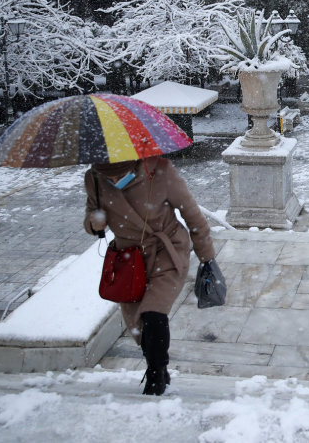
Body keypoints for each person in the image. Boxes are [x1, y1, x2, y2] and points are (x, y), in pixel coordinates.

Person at [84, 156, 216, 396]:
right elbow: (91, 218)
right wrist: (95, 223)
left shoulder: (160, 171)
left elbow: (193, 216)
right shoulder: (94, 178)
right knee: (137, 323)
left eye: (120, 175)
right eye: (109, 178)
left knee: (154, 312)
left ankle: (156, 376)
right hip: (128, 258)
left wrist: (207, 257)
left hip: (167, 250)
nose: (115, 181)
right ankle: (156, 366)